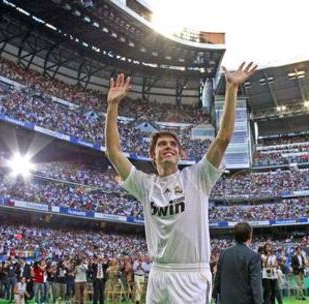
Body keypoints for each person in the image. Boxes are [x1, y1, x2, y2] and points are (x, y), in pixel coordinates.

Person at [104, 62, 257, 303]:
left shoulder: (197, 177)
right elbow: (113, 151)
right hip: (159, 273)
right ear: (153, 156)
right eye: (162, 144)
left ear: (180, 154)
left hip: (191, 275)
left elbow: (223, 138)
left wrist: (231, 89)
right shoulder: (145, 185)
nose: (168, 147)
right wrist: (112, 105)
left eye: (173, 144)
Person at [212, 222, 263, 304]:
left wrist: (214, 294)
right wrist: (259, 302)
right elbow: (256, 284)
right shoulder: (254, 256)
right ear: (250, 235)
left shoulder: (224, 253)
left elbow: (218, 277)